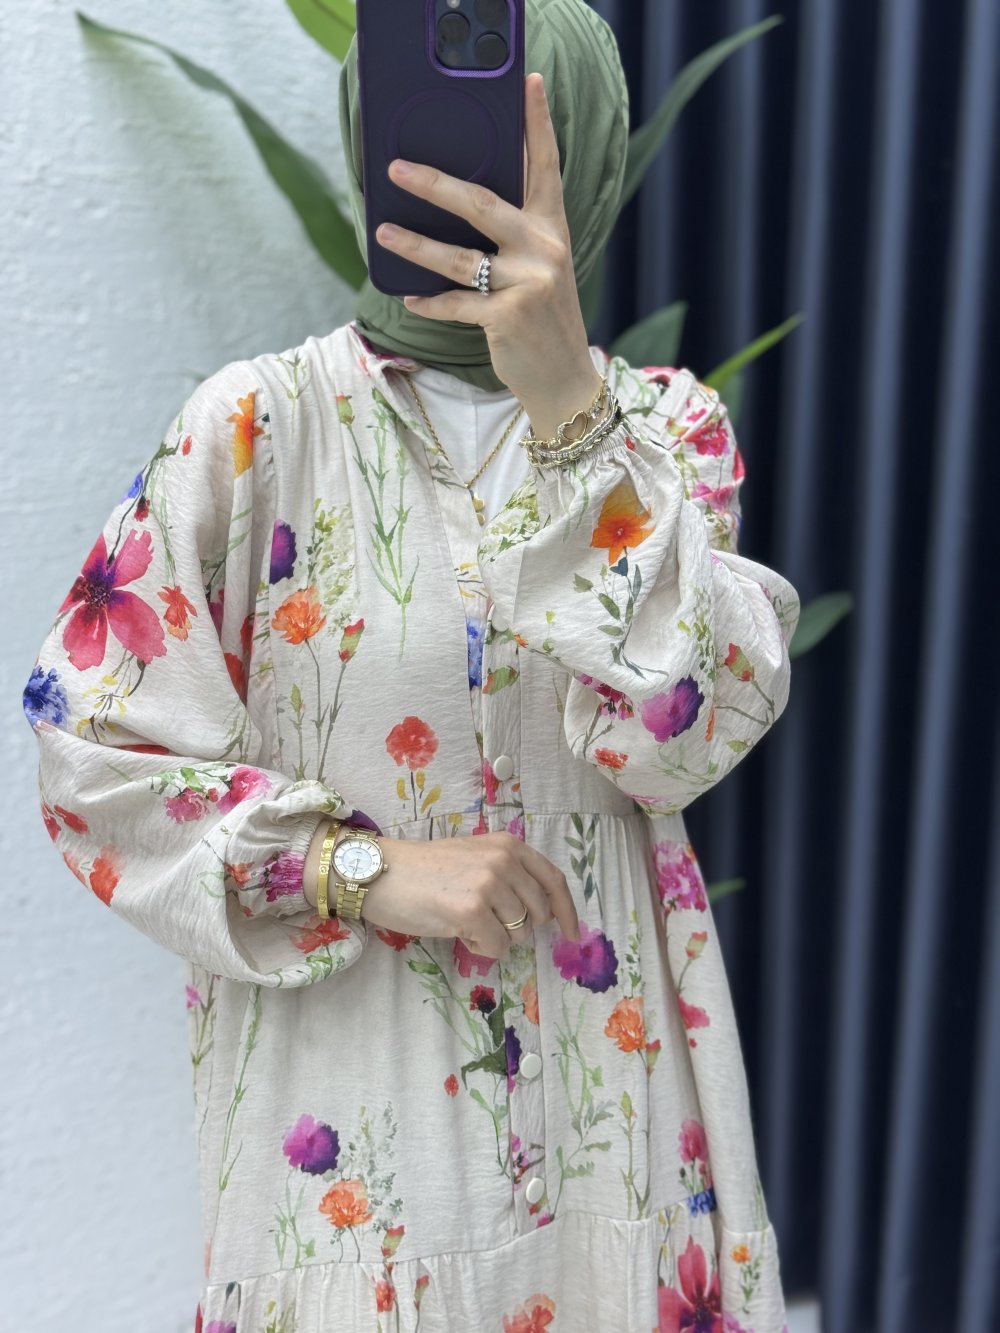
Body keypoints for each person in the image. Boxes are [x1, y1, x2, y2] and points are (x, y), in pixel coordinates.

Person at [22, 1, 801, 1328]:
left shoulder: (667, 435)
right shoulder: (253, 431)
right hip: (348, 1163)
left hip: (614, 1135)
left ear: (588, 153)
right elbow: (91, 754)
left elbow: (681, 735)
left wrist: (569, 412)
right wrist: (358, 867)